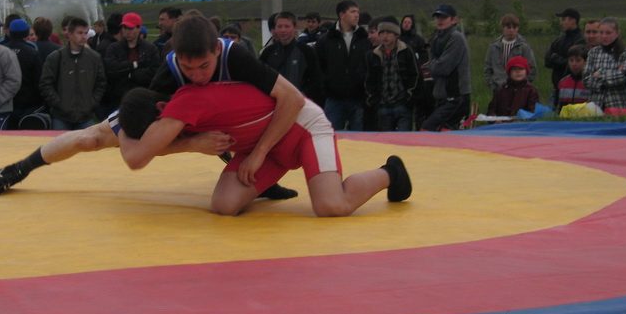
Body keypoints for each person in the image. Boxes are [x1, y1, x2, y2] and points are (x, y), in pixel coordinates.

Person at [0, 12, 303, 202]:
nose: (197, 76)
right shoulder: (170, 71)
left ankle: (264, 176)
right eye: (188, 70)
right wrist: (191, 143)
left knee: (248, 123)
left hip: (240, 118)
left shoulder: (237, 56)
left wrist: (259, 154)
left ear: (217, 50)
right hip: (187, 116)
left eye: (204, 66)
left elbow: (290, 99)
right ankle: (19, 168)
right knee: (89, 138)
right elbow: (143, 148)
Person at [117, 82, 412, 217]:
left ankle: (390, 172)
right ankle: (264, 183)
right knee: (224, 206)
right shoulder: (173, 117)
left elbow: (140, 156)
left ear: (160, 110)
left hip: (301, 128)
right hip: (265, 147)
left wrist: (256, 155)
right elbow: (146, 150)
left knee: (331, 206)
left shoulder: (191, 104)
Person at [40, 16, 107, 130]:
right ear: (69, 34)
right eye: (80, 33)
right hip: (60, 117)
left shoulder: (94, 58)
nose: (84, 36)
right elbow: (45, 84)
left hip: (85, 117)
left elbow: (101, 83)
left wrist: (92, 103)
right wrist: (59, 104)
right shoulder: (56, 57)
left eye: (86, 33)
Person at [314, 0, 370, 131]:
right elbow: (318, 68)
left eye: (357, 12)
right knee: (332, 137)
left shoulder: (365, 39)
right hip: (334, 99)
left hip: (358, 98)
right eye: (352, 12)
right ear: (342, 15)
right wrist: (326, 88)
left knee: (359, 140)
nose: (357, 15)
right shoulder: (326, 40)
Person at [364, 16, 422, 131]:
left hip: (402, 104)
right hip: (383, 105)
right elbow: (369, 80)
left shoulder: (406, 51)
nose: (385, 36)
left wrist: (410, 99)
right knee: (386, 144)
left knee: (404, 142)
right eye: (382, 32)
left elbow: (416, 76)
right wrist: (374, 102)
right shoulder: (373, 55)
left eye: (389, 32)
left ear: (396, 34)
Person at [421, 4, 471, 132]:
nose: (440, 20)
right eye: (437, 17)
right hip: (442, 95)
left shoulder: (456, 38)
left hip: (456, 96)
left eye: (444, 17)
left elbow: (443, 67)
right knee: (443, 132)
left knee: (428, 129)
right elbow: (435, 65)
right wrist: (434, 65)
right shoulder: (437, 39)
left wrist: (431, 66)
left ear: (454, 20)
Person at [259, 11, 324, 105]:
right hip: (273, 102)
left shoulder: (306, 51)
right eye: (279, 26)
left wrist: (302, 94)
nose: (283, 30)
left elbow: (317, 80)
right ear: (275, 28)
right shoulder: (268, 52)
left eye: (287, 26)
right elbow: (261, 76)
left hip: (300, 103)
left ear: (295, 28)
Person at [102, 13, 161, 115]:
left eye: (130, 28)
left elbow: (155, 72)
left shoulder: (150, 49)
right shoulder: (113, 48)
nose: (126, 31)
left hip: (143, 99)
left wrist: (130, 75)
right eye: (124, 27)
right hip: (118, 100)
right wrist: (135, 66)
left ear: (138, 28)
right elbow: (110, 69)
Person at [583, 17, 626, 111]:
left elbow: (624, 77)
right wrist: (611, 76)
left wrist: (599, 74)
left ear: (617, 33)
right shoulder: (593, 52)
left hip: (619, 106)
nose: (604, 36)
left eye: (608, 33)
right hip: (596, 107)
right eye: (601, 32)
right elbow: (586, 79)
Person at [0, 18, 43, 127]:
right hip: (28, 105)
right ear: (27, 33)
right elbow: (38, 81)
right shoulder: (32, 52)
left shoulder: (1, 51)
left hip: (5, 103)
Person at [483, 14, 537, 91]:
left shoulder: (524, 47)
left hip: (519, 90)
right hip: (499, 88)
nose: (511, 30)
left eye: (514, 27)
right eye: (508, 27)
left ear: (518, 28)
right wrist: (492, 85)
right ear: (503, 28)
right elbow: (488, 68)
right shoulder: (493, 47)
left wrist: (523, 85)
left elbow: (532, 69)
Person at [545, 8, 585, 102]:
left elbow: (575, 64)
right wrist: (562, 60)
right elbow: (547, 61)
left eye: (563, 20)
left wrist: (556, 58)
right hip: (557, 89)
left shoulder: (580, 40)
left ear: (573, 21)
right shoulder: (559, 40)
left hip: (575, 89)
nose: (561, 23)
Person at [556, 44, 590, 110]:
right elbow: (558, 106)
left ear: (586, 62)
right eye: (571, 60)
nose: (574, 64)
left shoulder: (590, 82)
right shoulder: (563, 82)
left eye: (578, 60)